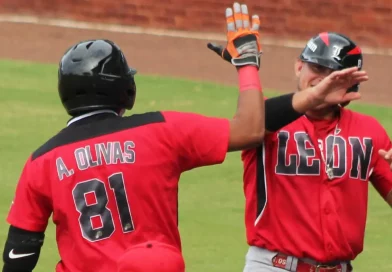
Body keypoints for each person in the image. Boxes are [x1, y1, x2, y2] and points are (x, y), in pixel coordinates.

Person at [1, 4, 367, 271]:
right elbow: (251, 129)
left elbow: (19, 253)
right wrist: (247, 63)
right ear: (125, 90)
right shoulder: (161, 130)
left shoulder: (41, 160)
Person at [241, 32, 390, 272]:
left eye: (335, 75)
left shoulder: (369, 131)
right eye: (317, 68)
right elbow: (250, 121)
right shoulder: (269, 120)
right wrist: (312, 98)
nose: (323, 80)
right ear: (299, 66)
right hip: (273, 266)